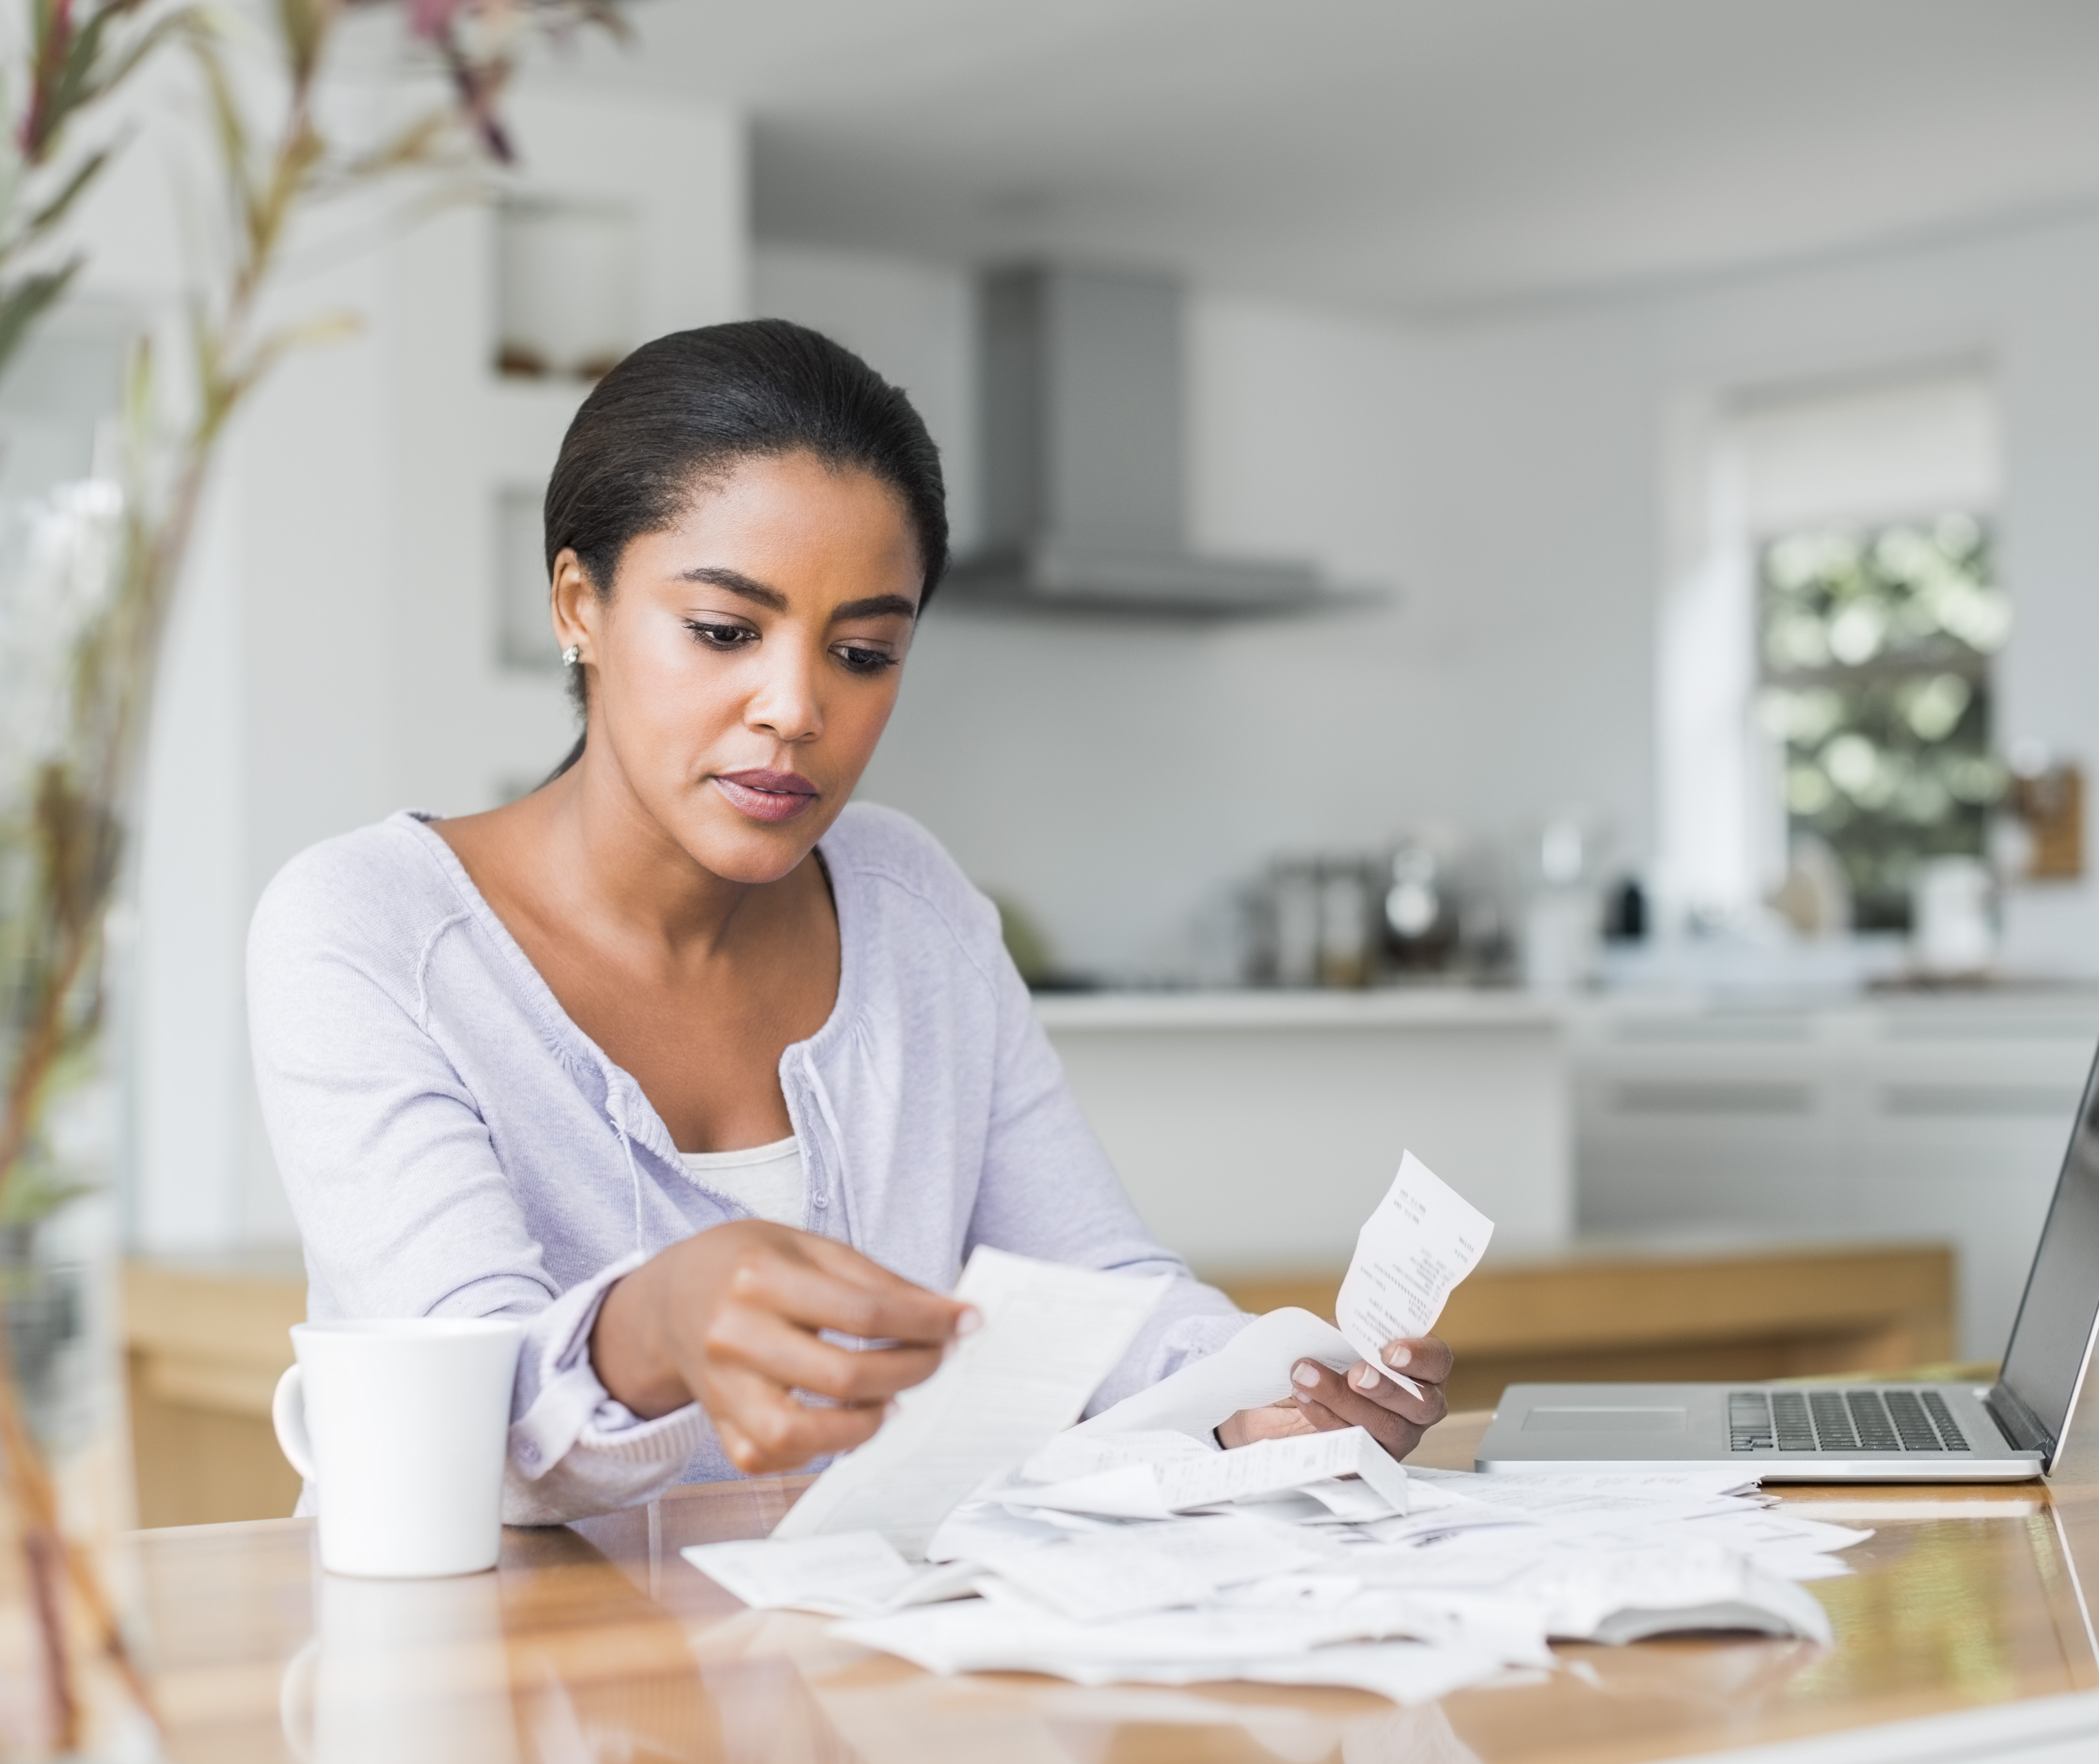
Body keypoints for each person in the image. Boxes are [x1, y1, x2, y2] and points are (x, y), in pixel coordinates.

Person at [245, 319, 1451, 1522]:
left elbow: (1100, 1285)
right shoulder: (368, 931)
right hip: (491, 1673)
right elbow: (460, 1420)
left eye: (864, 651)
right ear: (579, 604)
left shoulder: (908, 902)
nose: (795, 708)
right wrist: (652, 1323)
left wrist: (1264, 1397)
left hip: (855, 1662)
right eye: (724, 632)